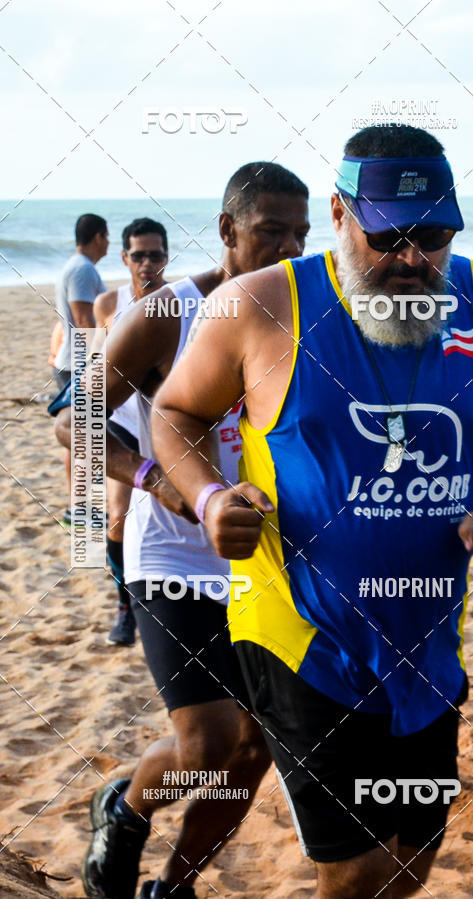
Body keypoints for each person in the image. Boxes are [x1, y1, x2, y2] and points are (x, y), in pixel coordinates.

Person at [151, 125, 473, 899]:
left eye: (435, 236)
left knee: (408, 867)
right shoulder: (258, 307)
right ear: (340, 215)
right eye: (391, 238)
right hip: (302, 636)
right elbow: (174, 411)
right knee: (357, 874)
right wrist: (209, 496)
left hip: (431, 646)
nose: (415, 261)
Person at [56, 161, 310, 899]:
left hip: (258, 558)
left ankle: (176, 884)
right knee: (208, 742)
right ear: (229, 229)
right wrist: (152, 479)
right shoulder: (167, 314)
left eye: (302, 232)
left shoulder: (307, 314)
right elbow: (77, 421)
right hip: (171, 553)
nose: (291, 249)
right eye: (271, 231)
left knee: (256, 748)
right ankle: (127, 807)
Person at [94, 217, 169, 647]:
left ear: (166, 257)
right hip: (120, 423)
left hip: (163, 425)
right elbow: (90, 361)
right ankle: (126, 607)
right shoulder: (108, 304)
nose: (146, 263)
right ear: (124, 258)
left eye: (155, 255)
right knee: (119, 518)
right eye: (138, 255)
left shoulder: (178, 302)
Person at [53, 213, 109, 525]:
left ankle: (79, 504)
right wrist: (101, 360)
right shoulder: (82, 270)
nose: (109, 244)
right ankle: (78, 508)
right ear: (98, 237)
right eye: (107, 237)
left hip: (73, 361)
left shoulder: (76, 267)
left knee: (80, 436)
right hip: (78, 363)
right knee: (83, 436)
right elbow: (85, 322)